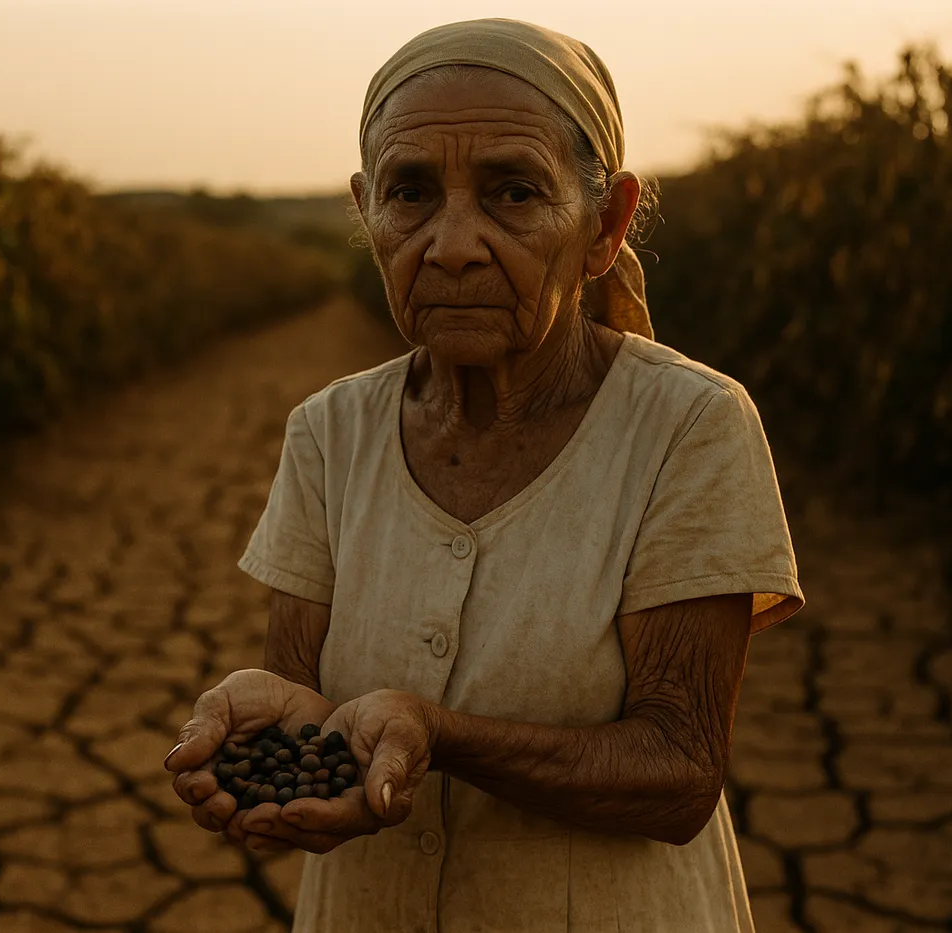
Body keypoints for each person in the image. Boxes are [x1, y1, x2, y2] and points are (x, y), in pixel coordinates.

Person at [164, 17, 803, 932]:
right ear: (366, 211)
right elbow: (305, 705)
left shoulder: (689, 426)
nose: (452, 243)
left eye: (513, 192)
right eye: (410, 193)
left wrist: (440, 735)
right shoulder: (329, 432)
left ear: (605, 225)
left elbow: (678, 774)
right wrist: (270, 734)